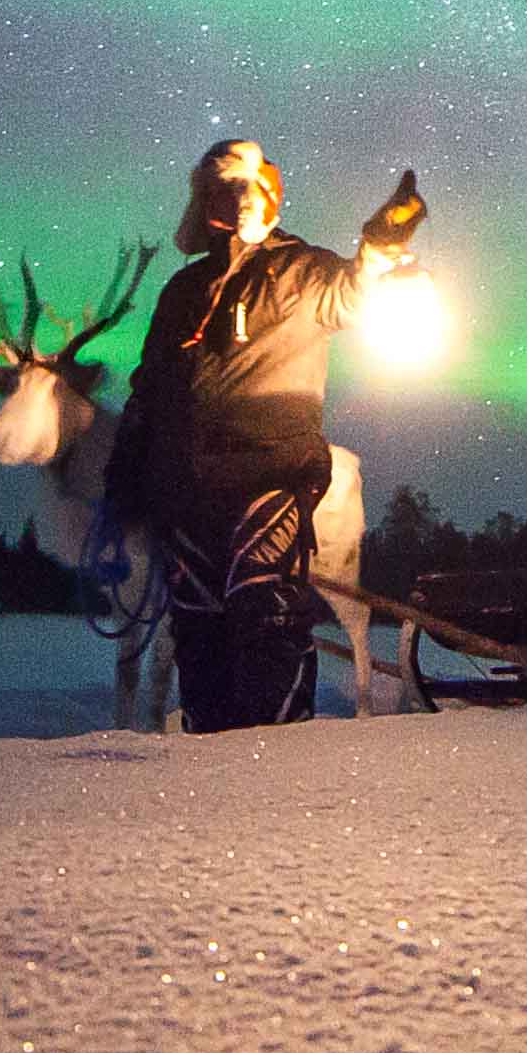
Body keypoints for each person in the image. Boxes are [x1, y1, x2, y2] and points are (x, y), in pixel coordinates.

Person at [106, 139, 419, 731]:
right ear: (203, 203)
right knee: (199, 623)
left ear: (268, 195)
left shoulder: (300, 270)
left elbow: (353, 293)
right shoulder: (182, 292)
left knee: (264, 604)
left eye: (244, 190)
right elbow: (149, 389)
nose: (234, 203)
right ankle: (214, 762)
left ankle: (276, 753)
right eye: (220, 192)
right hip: (188, 489)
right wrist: (127, 469)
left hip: (274, 471)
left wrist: (382, 244)